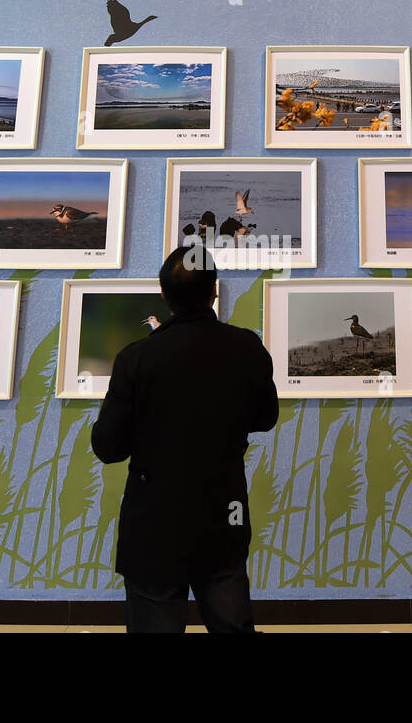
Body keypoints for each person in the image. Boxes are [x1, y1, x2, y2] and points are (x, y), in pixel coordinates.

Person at [90, 245, 280, 632]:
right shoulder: (247, 347)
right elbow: (265, 418)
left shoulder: (136, 358)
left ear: (163, 295)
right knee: (232, 624)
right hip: (223, 511)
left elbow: (107, 447)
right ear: (214, 291)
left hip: (154, 520)